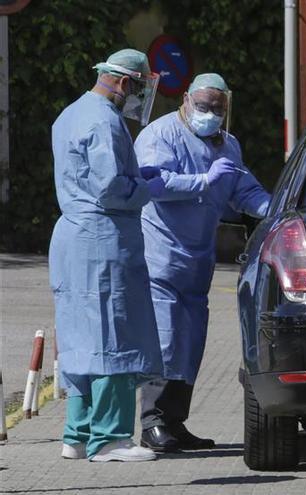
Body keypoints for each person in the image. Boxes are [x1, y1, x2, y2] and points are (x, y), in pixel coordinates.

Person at [134, 73, 271, 452]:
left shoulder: (228, 145)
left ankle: (175, 422)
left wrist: (276, 209)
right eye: (204, 106)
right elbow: (155, 185)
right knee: (165, 341)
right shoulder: (160, 135)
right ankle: (152, 423)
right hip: (161, 257)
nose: (210, 114)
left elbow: (245, 190)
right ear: (186, 99)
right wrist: (203, 181)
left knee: (191, 343)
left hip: (198, 262)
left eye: (218, 108)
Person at [49, 49, 164, 462]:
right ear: (123, 82)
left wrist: (135, 178)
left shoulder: (70, 113)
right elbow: (111, 188)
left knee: (80, 337)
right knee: (114, 334)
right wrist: (149, 186)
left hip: (72, 239)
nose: (135, 96)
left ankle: (76, 435)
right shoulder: (104, 119)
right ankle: (110, 439)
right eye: (137, 86)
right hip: (102, 238)